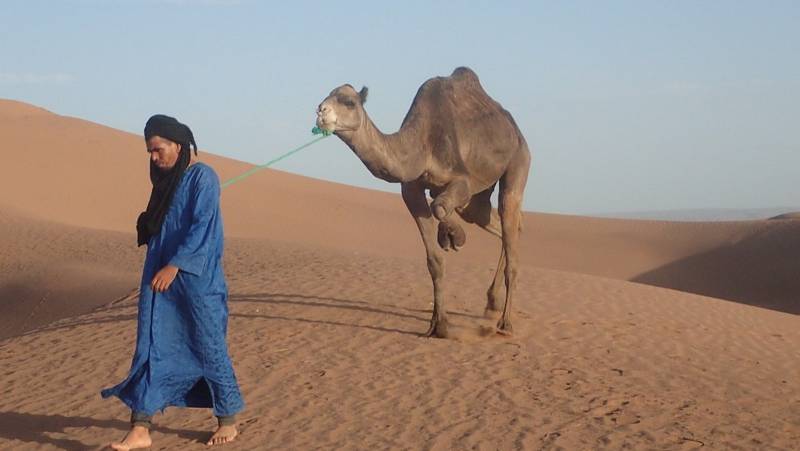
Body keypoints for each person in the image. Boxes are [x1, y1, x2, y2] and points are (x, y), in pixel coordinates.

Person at [102, 114, 244, 449]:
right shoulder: (165, 183)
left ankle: (228, 419)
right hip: (160, 284)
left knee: (209, 347)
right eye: (149, 151)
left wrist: (176, 265)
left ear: (177, 146)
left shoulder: (203, 177)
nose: (153, 157)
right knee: (151, 347)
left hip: (196, 284)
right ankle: (140, 427)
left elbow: (203, 228)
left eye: (158, 149)